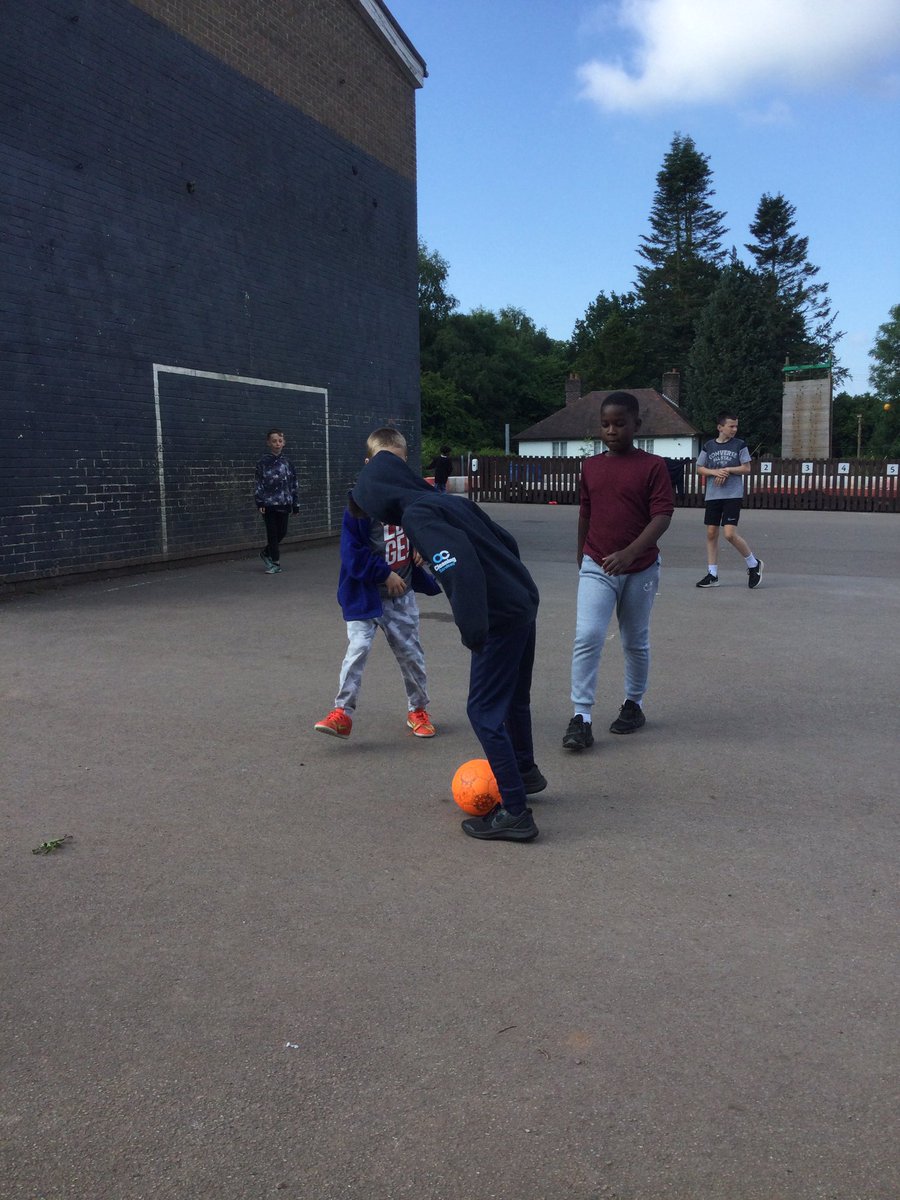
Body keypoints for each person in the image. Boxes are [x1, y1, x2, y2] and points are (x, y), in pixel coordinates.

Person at [352, 444, 544, 843]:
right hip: (522, 602)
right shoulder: (446, 502)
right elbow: (505, 541)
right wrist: (513, 583)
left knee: (482, 711)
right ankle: (524, 773)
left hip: (499, 617)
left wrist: (473, 628)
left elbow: (459, 565)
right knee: (514, 698)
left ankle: (515, 812)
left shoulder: (417, 514)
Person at [562, 392, 674, 753]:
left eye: (620, 424)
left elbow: (662, 516)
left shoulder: (653, 466)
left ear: (636, 425)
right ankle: (581, 717)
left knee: (634, 640)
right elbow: (585, 511)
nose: (612, 430)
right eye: (606, 424)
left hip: (640, 568)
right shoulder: (591, 467)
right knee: (588, 634)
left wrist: (630, 554)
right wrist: (582, 554)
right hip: (598, 563)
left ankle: (634, 704)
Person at [315, 428, 441, 742]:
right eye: (382, 463)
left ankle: (418, 710)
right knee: (356, 651)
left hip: (402, 599)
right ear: (368, 462)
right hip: (366, 596)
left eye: (397, 464)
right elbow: (352, 553)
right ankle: (342, 713)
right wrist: (384, 574)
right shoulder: (359, 505)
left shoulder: (412, 498)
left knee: (411, 655)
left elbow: (432, 526)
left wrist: (422, 549)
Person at [694, 412, 764, 589]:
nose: (734, 429)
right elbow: (700, 468)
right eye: (731, 426)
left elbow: (746, 468)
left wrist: (727, 470)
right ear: (720, 427)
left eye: (736, 426)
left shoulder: (739, 444)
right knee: (711, 533)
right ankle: (712, 574)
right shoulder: (708, 446)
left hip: (733, 494)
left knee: (729, 534)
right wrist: (714, 472)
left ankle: (753, 563)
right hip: (713, 495)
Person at [254, 428, 299, 574]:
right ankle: (275, 563)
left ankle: (266, 552)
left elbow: (294, 483)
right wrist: (260, 502)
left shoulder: (288, 463)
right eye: (274, 441)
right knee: (272, 533)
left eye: (280, 441)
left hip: (284, 502)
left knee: (282, 531)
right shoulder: (263, 462)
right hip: (268, 504)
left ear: (284, 443)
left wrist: (295, 503)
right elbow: (258, 483)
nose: (277, 444)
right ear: (269, 443)